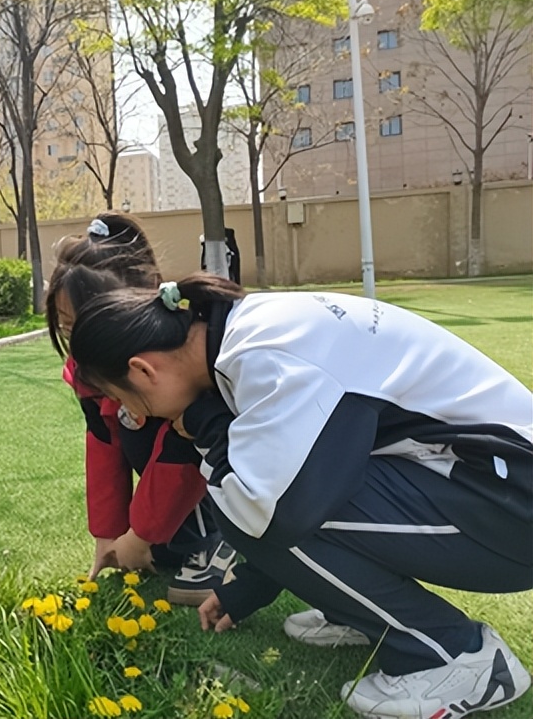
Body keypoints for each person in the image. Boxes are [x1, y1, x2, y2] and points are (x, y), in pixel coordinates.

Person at [67, 274, 532, 718]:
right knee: (267, 492)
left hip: (511, 508)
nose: (134, 413)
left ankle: (457, 656)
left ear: (143, 369)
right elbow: (300, 474)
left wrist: (207, 429)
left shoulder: (265, 354)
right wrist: (249, 587)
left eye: (127, 400)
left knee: (243, 501)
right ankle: (364, 614)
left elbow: (266, 508)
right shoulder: (241, 329)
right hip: (489, 488)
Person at [45, 212, 237, 605]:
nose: (87, 342)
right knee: (127, 429)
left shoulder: (172, 357)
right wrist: (109, 536)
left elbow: (182, 453)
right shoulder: (88, 369)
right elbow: (102, 446)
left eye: (96, 320)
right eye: (69, 328)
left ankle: (218, 539)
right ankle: (180, 540)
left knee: (145, 430)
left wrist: (142, 533)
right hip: (177, 475)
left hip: (239, 473)